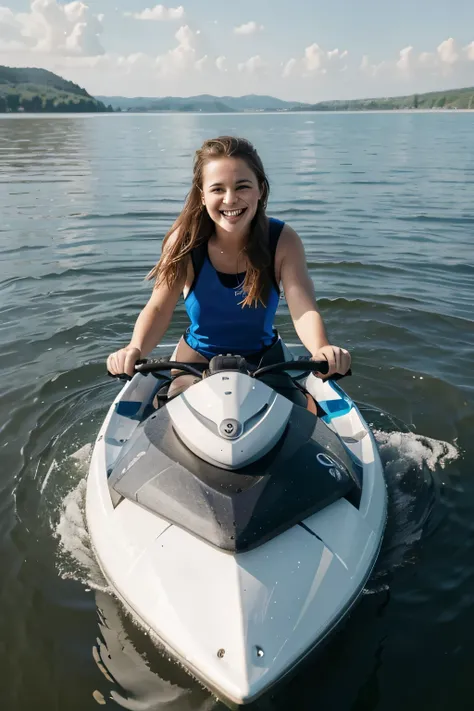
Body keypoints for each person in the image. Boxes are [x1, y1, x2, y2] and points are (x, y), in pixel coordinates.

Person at [107, 136, 351, 397]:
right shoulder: (185, 242)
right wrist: (135, 348)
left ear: (261, 190)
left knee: (299, 412)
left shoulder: (283, 240)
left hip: (266, 361)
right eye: (218, 189)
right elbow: (158, 307)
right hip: (195, 363)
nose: (230, 199)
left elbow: (303, 307)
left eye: (242, 186)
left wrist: (321, 347)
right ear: (202, 196)